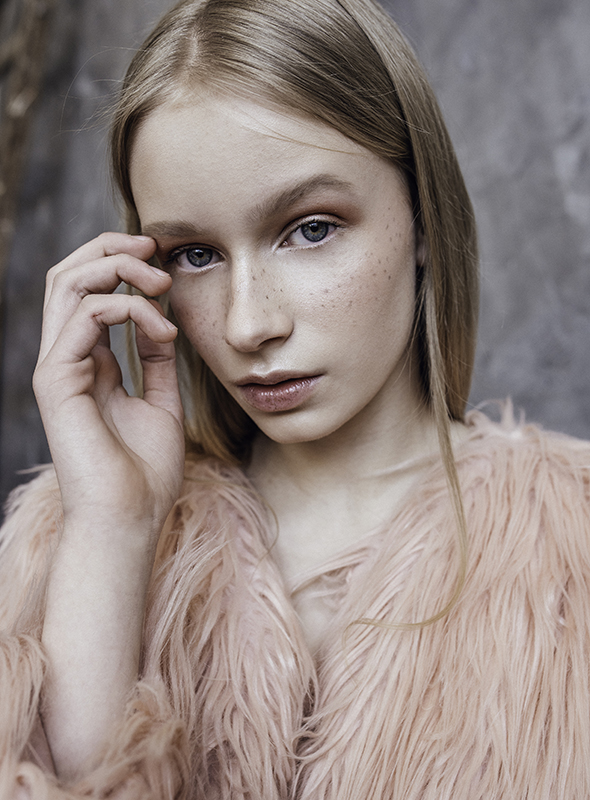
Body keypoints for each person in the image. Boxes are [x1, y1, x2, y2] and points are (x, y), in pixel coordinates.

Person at [2, 0, 590, 797]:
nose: (247, 324)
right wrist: (115, 528)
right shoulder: (72, 538)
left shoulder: (575, 551)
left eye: (310, 228)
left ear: (422, 216)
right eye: (195, 254)